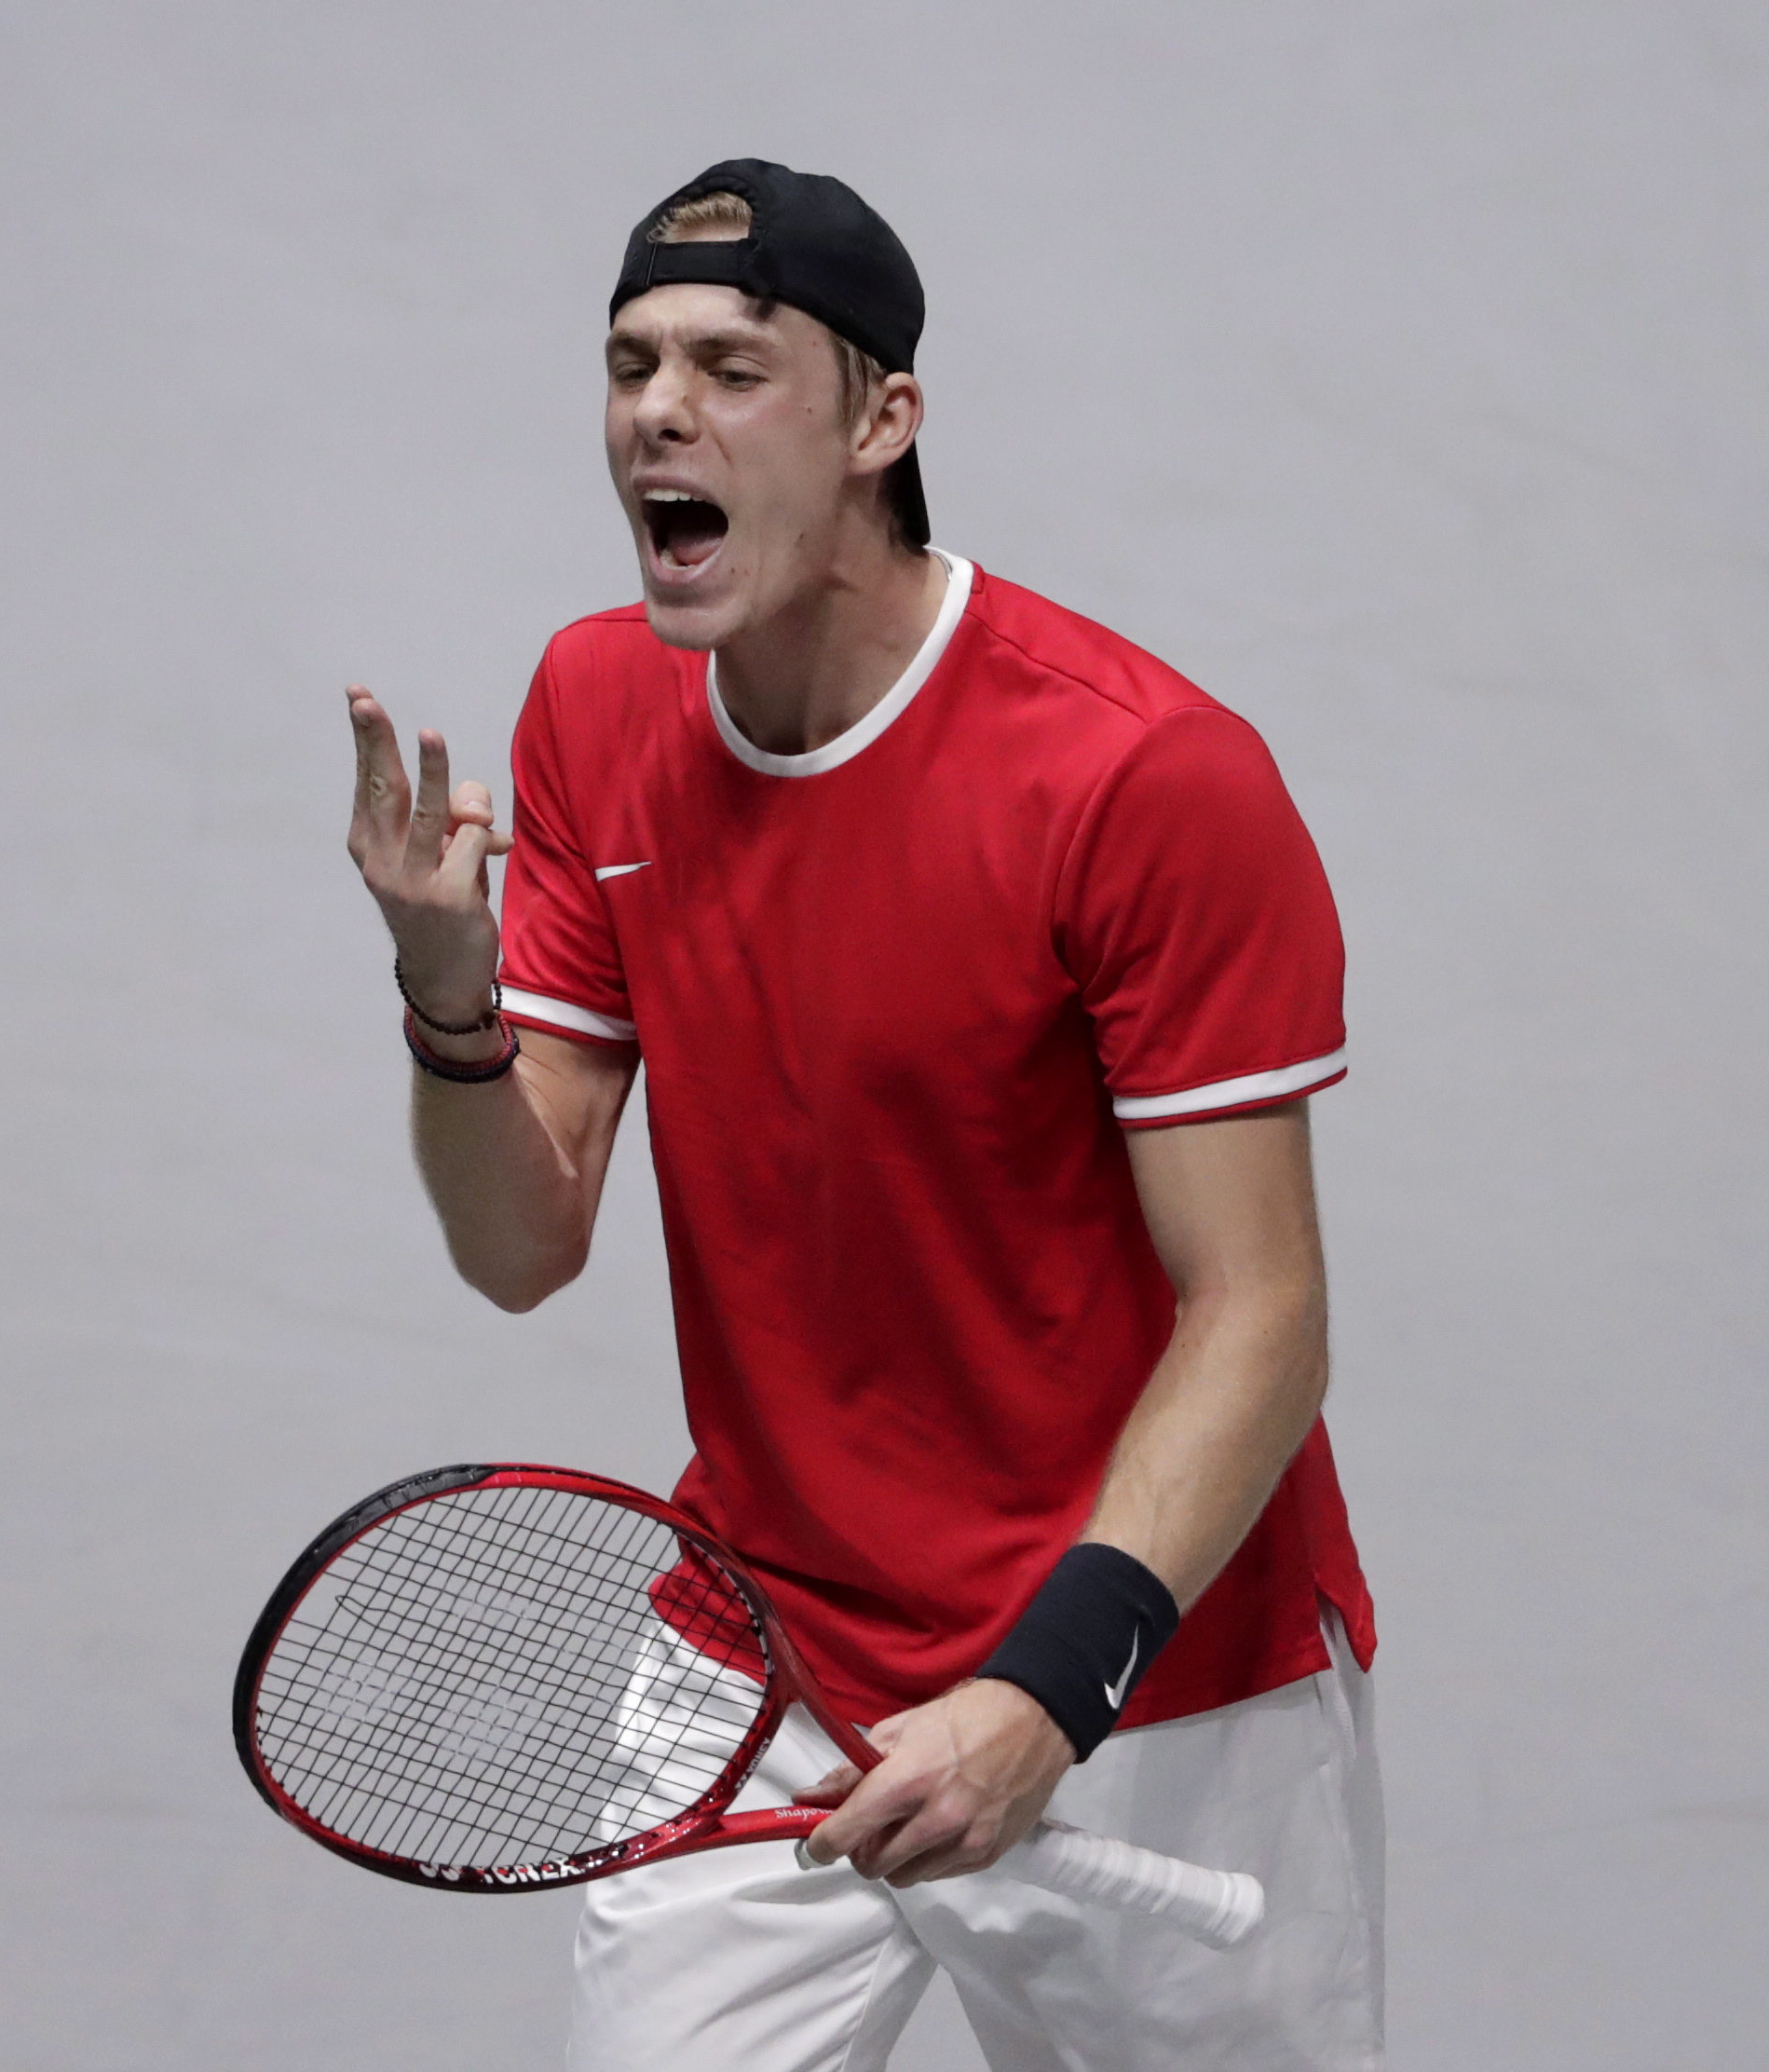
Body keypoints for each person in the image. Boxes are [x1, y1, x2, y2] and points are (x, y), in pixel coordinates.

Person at [341, 158, 1381, 2071]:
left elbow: (1264, 1311)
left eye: (732, 368)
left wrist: (1043, 1693)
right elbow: (517, 1245)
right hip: (767, 1655)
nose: (659, 412)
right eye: (632, 364)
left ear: (882, 419)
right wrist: (445, 989)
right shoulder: (594, 706)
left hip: (1143, 1675)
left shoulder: (1141, 778)